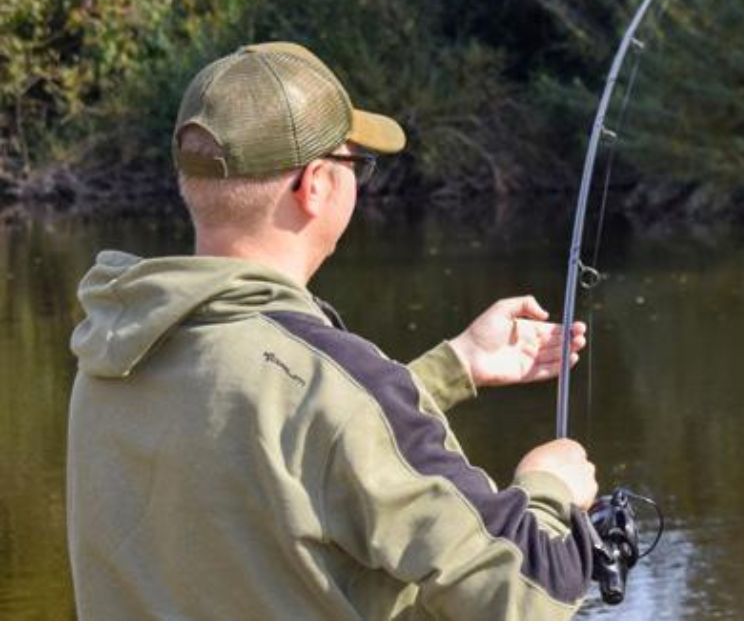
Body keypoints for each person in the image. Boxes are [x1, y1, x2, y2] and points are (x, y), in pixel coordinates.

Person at [66, 42, 598, 619]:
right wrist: (550, 492)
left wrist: (454, 367)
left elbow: (278, 440)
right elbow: (527, 595)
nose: (357, 181)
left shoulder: (115, 350)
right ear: (314, 184)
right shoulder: (334, 384)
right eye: (354, 164)